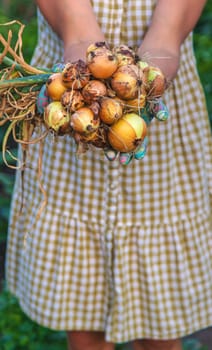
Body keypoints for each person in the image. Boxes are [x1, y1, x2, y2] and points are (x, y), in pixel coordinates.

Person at [5, 1, 212, 350]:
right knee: (84, 326)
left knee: (160, 326)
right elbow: (79, 36)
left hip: (164, 131)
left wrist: (164, 45)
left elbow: (167, 34)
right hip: (70, 85)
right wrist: (79, 43)